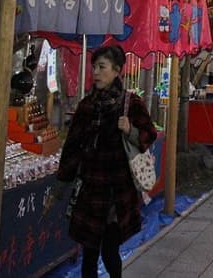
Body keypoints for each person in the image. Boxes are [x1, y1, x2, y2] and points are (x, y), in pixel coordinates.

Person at [56, 46, 156, 278]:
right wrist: (62, 181)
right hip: (91, 188)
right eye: (94, 67)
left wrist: (130, 130)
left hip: (118, 191)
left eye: (102, 67)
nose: (96, 73)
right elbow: (72, 146)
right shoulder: (86, 106)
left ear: (117, 70)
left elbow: (149, 134)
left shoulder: (131, 103)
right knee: (89, 253)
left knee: (110, 251)